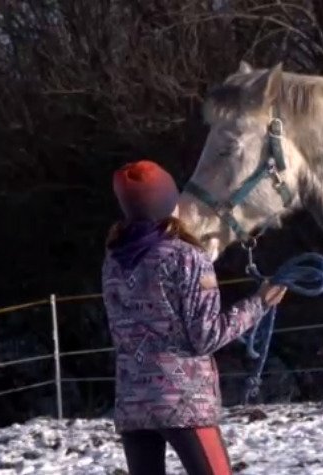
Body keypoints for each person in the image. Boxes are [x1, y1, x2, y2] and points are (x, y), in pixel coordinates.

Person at [101, 160, 286, 475]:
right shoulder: (187, 258)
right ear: (169, 202)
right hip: (183, 401)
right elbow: (207, 336)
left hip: (133, 403)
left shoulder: (114, 261)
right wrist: (259, 304)